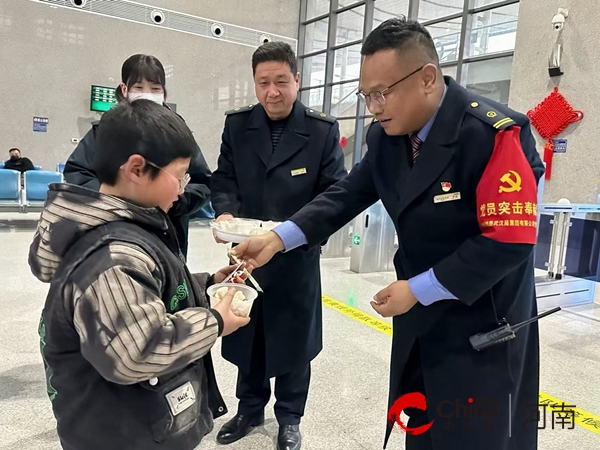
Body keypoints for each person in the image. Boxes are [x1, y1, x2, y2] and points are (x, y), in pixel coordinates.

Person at [230, 18, 545, 450]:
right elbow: (345, 195)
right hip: (419, 320)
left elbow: (508, 241)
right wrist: (279, 238)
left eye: (382, 93)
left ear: (427, 78)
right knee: (422, 428)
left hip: (482, 324)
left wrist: (419, 288)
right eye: (366, 96)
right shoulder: (388, 139)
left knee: (477, 435)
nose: (374, 107)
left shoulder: (492, 136)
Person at [28, 100, 251, 450]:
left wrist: (206, 285)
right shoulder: (112, 257)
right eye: (178, 177)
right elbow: (137, 351)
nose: (181, 189)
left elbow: (149, 294)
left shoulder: (133, 225)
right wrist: (215, 321)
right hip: (119, 434)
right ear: (136, 169)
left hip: (142, 422)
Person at [210, 41, 347, 450]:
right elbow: (225, 179)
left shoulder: (322, 130)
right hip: (246, 254)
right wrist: (225, 214)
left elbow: (334, 192)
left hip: (296, 254)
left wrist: (299, 233)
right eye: (264, 82)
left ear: (297, 80)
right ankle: (249, 409)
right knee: (245, 330)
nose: (273, 91)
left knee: (294, 340)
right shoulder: (238, 126)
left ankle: (290, 417)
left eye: (282, 82)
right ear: (255, 83)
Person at [63, 54, 211, 258]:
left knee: (171, 283)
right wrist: (118, 199)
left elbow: (203, 182)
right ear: (124, 90)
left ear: (164, 93)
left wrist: (173, 199)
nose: (147, 94)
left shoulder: (177, 132)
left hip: (168, 232)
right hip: (115, 231)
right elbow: (76, 173)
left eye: (155, 88)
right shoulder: (107, 130)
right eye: (139, 88)